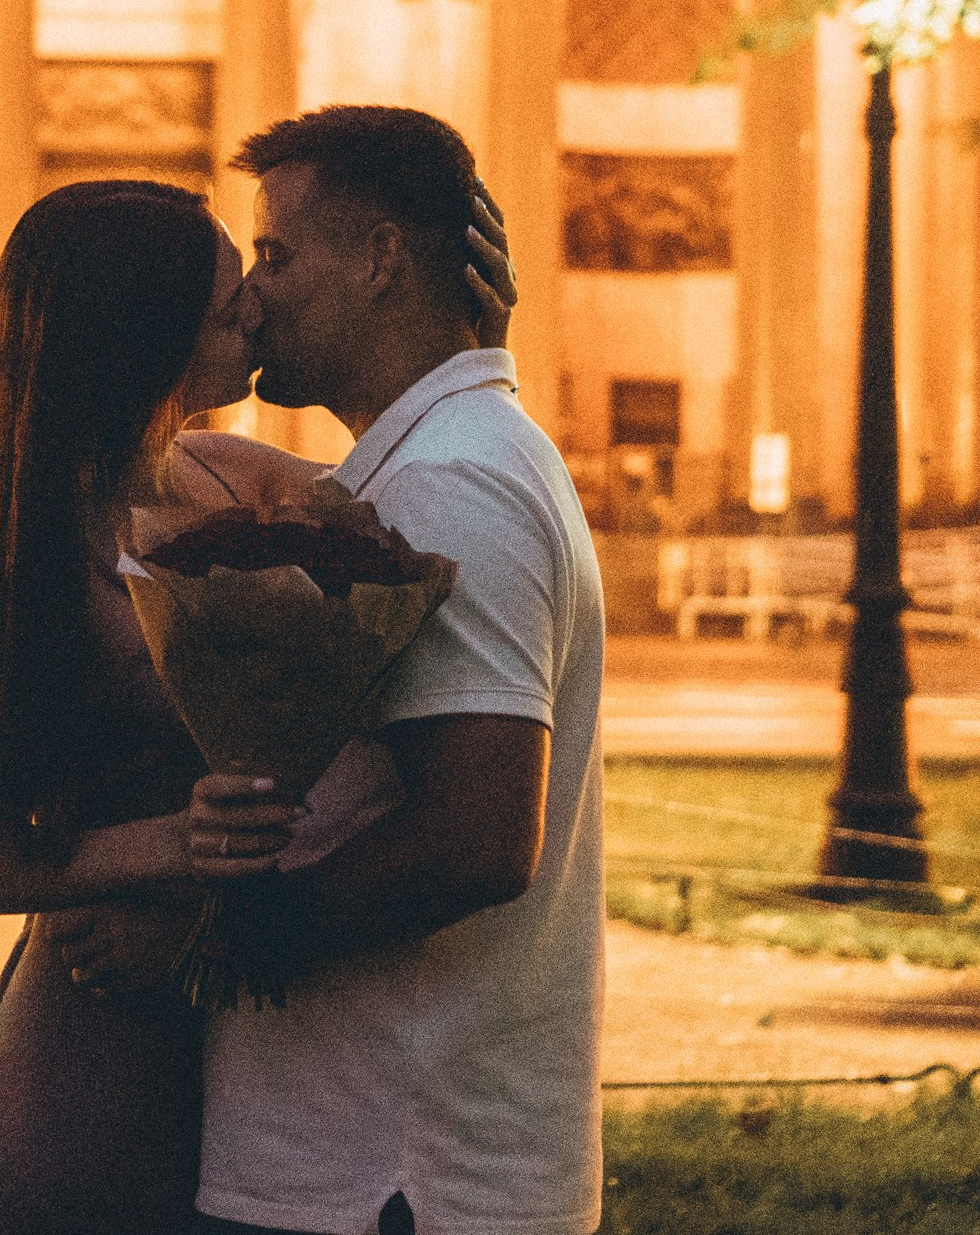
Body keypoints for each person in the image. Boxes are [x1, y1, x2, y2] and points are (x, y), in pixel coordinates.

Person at [0, 176, 515, 1235]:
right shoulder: (24, 551)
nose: (256, 305)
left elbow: (421, 478)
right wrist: (180, 847)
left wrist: (458, 335)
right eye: (226, 305)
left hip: (235, 1034)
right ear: (142, 336)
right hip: (99, 1042)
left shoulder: (218, 476)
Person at [189, 106, 607, 1235]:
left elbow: (472, 837)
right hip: (387, 1166)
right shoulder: (448, 457)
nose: (252, 291)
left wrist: (213, 939)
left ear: (380, 260)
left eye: (275, 253)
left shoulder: (450, 485)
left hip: (389, 1174)